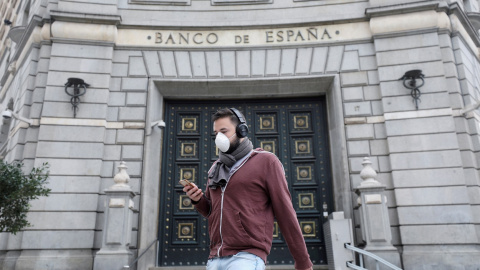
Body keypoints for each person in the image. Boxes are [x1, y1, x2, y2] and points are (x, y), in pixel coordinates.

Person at [183, 108, 313, 270]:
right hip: (215, 258)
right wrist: (197, 199)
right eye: (216, 133)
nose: (219, 137)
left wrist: (303, 261)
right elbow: (211, 210)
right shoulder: (216, 168)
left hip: (246, 257)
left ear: (241, 130)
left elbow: (285, 212)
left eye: (224, 131)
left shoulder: (267, 162)